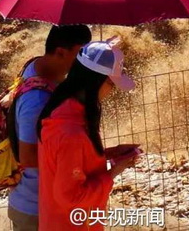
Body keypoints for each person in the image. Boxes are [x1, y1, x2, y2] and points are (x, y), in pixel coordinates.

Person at [36, 38, 141, 230]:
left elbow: (66, 160)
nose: (112, 89)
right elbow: (71, 197)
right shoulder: (71, 132)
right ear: (95, 82)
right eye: (111, 83)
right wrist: (114, 172)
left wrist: (109, 153)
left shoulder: (60, 110)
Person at [7, 25, 92, 231]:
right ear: (61, 52)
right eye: (80, 54)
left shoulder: (37, 66)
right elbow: (27, 156)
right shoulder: (37, 100)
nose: (84, 61)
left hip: (40, 203)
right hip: (37, 209)